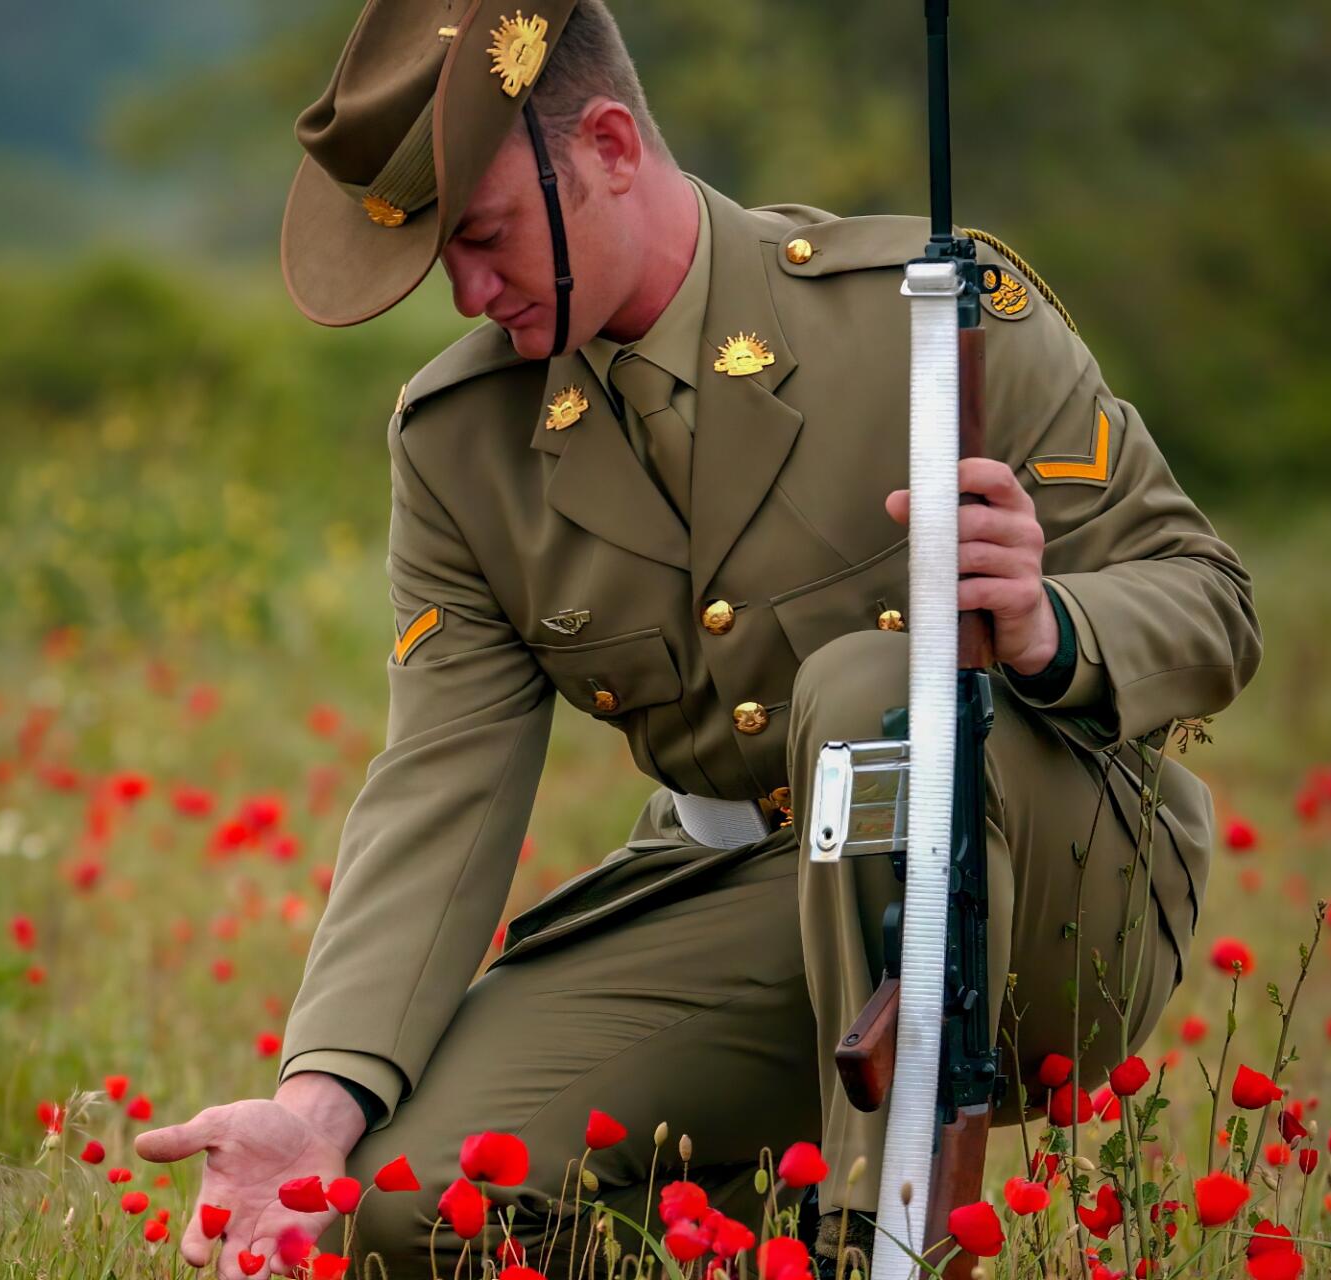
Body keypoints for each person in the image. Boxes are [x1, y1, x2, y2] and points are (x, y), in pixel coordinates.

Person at [137, 2, 1262, 1276]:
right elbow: (438, 785)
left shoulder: (928, 321)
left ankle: (871, 1242)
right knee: (419, 1204)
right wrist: (320, 1102)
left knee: (866, 690)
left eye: (486, 234)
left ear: (611, 144)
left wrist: (1048, 622)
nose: (466, 289)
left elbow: (1210, 599)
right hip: (755, 897)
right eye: (440, 255)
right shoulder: (462, 446)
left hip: (1050, 889)